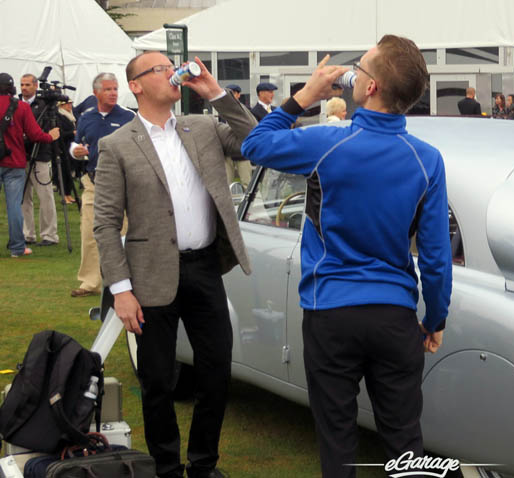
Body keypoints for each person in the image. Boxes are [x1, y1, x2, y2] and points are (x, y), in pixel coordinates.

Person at [241, 35, 452, 477]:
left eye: (362, 66)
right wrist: (435, 318)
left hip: (331, 311)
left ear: (370, 87)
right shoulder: (427, 159)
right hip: (393, 314)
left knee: (337, 440)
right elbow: (434, 256)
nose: (353, 71)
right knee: (404, 442)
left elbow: (256, 144)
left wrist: (303, 96)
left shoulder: (327, 143)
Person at [93, 52, 255, 478]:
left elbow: (254, 140)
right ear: (137, 85)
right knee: (158, 382)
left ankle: (203, 465)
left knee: (216, 373)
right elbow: (106, 224)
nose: (172, 73)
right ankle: (166, 468)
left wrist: (217, 94)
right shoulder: (116, 144)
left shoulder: (202, 127)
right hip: (148, 276)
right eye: (160, 69)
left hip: (204, 268)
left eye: (172, 66)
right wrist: (121, 290)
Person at [69, 73, 135, 298]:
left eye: (115, 88)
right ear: (96, 92)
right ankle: (90, 283)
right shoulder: (87, 117)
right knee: (89, 232)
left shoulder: (128, 116)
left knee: (122, 233)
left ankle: (124, 281)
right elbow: (77, 143)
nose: (113, 93)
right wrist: (75, 152)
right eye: (108, 89)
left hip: (122, 183)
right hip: (93, 182)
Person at [0, 73, 59, 258]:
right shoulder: (21, 107)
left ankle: (29, 237)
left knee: (23, 203)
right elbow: (35, 134)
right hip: (15, 161)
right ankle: (18, 247)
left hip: (11, 161)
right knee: (14, 206)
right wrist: (50, 137)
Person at [19, 73, 58, 247]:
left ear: (35, 86)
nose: (24, 88)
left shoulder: (44, 105)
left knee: (45, 196)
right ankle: (28, 233)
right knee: (23, 197)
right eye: (22, 85)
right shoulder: (17, 104)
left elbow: (52, 127)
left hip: (40, 155)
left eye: (27, 85)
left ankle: (49, 234)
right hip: (20, 155)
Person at [220, 85, 252, 189]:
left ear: (238, 95)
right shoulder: (222, 110)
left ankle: (252, 204)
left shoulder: (245, 110)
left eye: (233, 93)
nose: (231, 96)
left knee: (247, 183)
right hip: (227, 152)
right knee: (226, 184)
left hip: (242, 151)